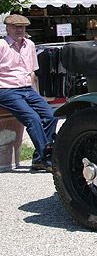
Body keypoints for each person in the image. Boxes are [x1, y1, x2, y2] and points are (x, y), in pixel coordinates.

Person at [0, 14, 58, 171]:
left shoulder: (30, 45)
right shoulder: (2, 45)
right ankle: (47, 158)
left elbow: (32, 71)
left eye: (22, 27)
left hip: (26, 88)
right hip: (7, 89)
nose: (19, 30)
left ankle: (38, 158)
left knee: (51, 115)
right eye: (15, 27)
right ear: (7, 29)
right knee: (32, 119)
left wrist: (34, 92)